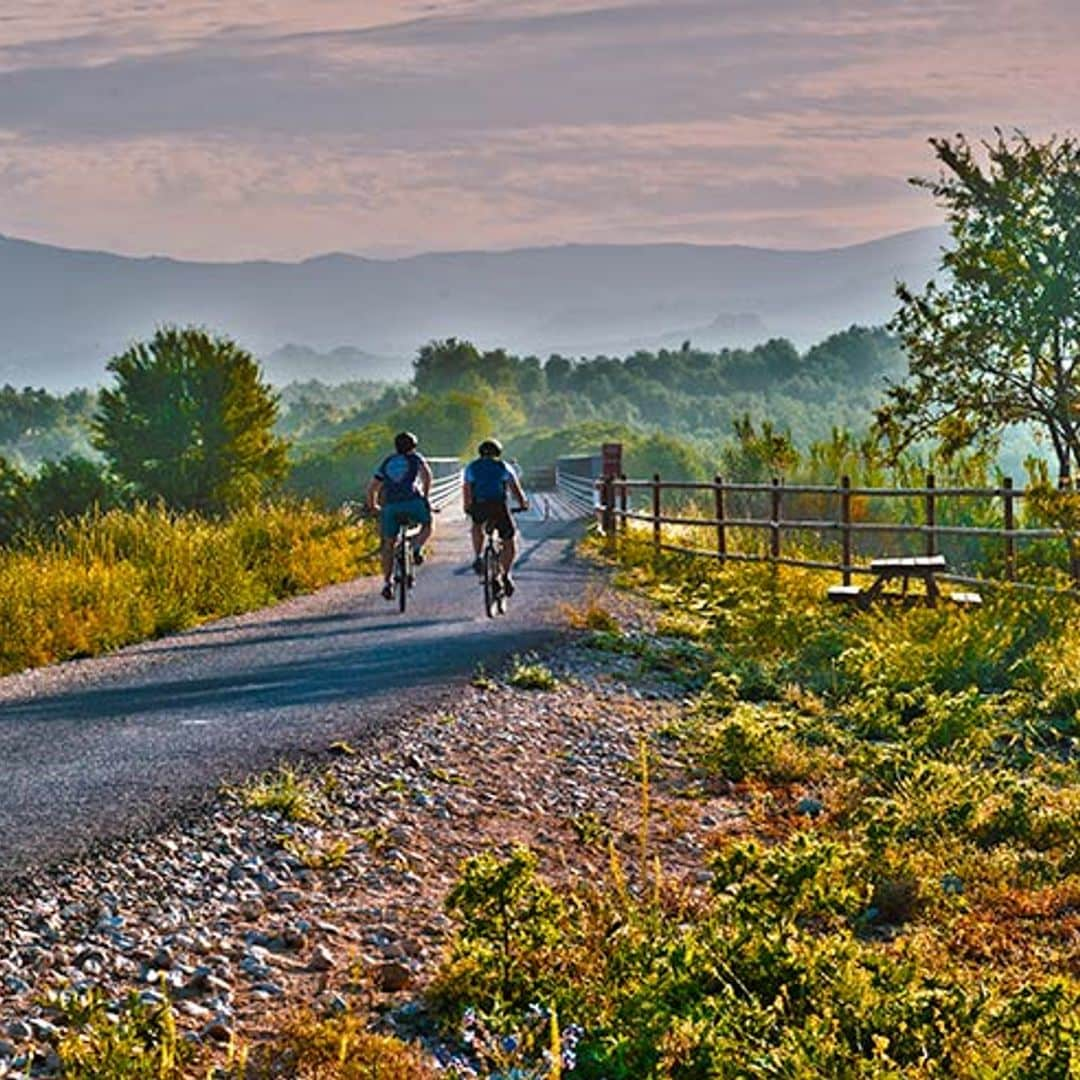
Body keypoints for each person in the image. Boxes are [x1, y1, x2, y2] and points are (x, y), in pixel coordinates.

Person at [367, 431, 433, 601]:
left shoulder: (387, 462)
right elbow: (427, 476)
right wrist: (425, 497)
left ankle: (387, 582)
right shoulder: (416, 459)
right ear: (413, 446)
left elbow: (372, 487)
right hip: (413, 502)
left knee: (388, 544)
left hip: (390, 507)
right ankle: (417, 547)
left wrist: (373, 506)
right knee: (427, 524)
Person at [464, 438, 528, 596]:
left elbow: (467, 489)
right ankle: (506, 575)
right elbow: (515, 488)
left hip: (480, 505)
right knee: (509, 539)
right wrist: (522, 503)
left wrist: (467, 507)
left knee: (477, 525)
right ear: (498, 453)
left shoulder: (471, 467)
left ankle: (478, 556)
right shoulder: (504, 466)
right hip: (498, 505)